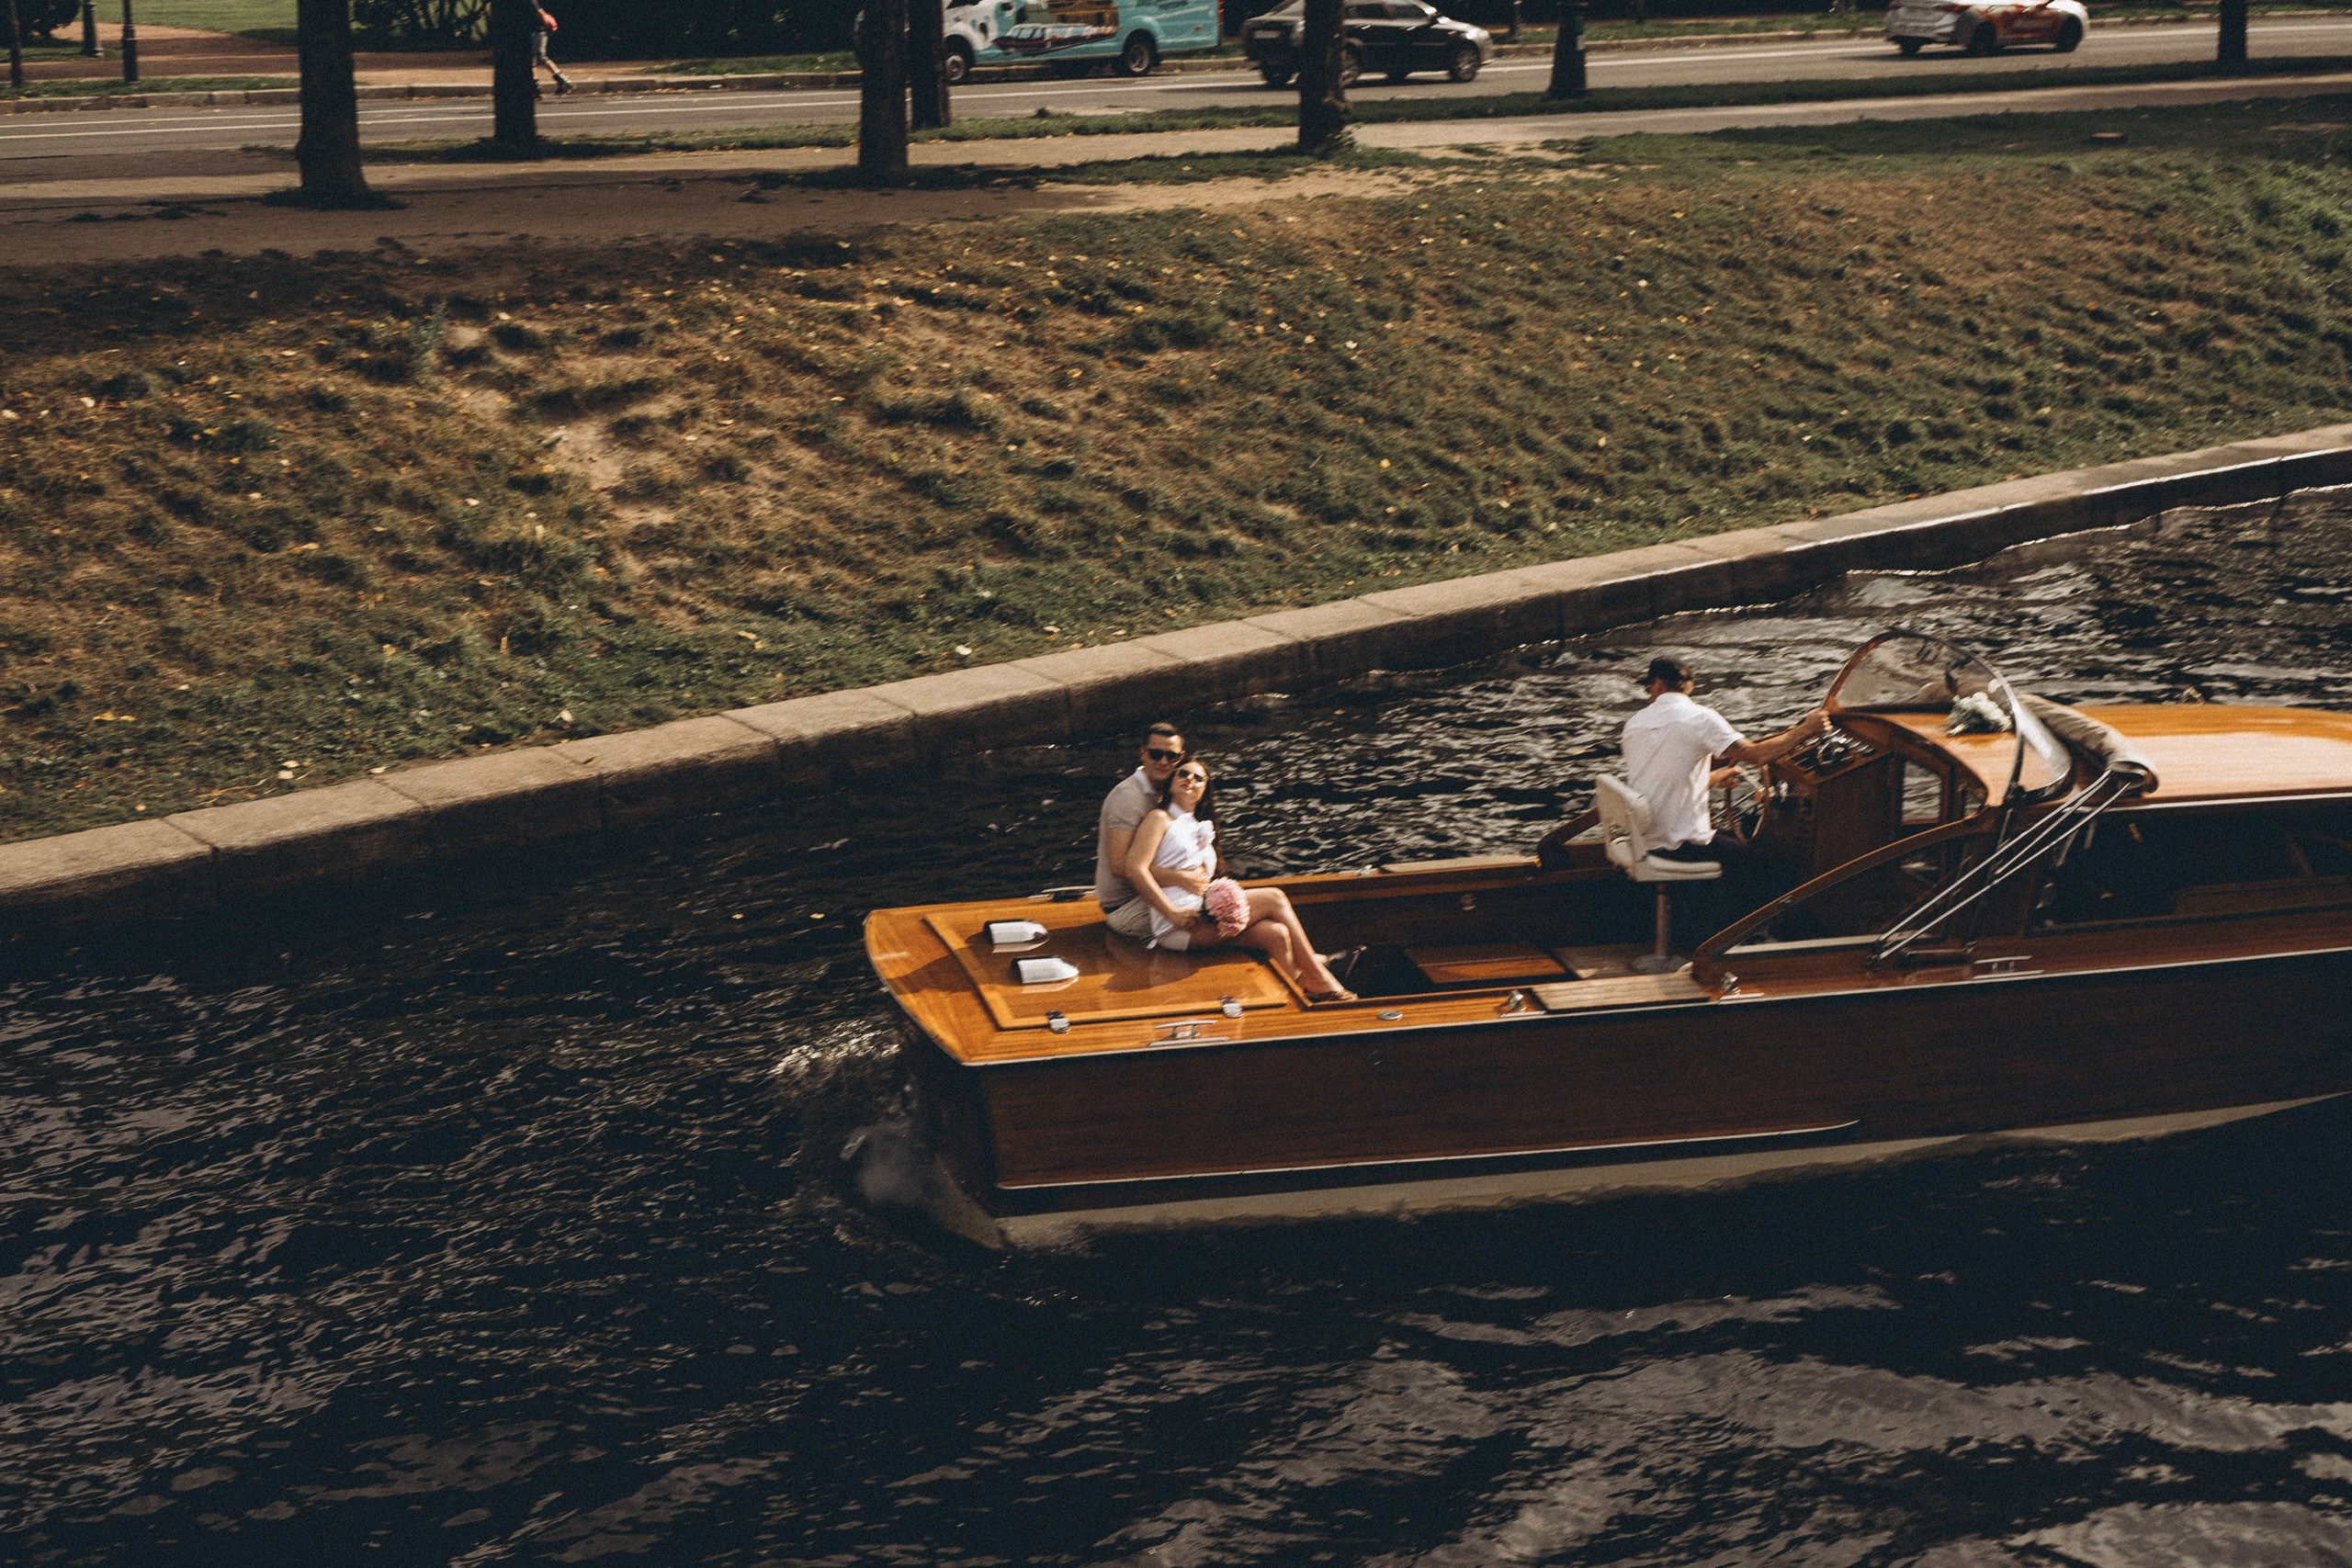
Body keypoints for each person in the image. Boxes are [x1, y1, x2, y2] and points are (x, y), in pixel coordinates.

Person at [1120, 758, 1356, 1002]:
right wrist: (1171, 912)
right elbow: (1134, 869)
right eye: (1183, 774)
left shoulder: (1198, 826)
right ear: (1171, 783)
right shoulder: (1159, 819)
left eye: (1198, 778)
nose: (1189, 779)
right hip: (1178, 922)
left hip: (1201, 913)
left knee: (1275, 934)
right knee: (1275, 897)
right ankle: (1319, 975)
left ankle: (1298, 994)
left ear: (1203, 792)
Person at [1621, 654, 1828, 923]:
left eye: (1648, 687)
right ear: (1687, 687)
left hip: (1645, 836)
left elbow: (1658, 776)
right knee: (1776, 865)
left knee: (1736, 842)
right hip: (1679, 843)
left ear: (1658, 684)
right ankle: (1768, 937)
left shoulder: (1634, 724)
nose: (1649, 693)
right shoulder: (1700, 718)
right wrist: (1805, 730)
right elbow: (1757, 756)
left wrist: (1710, 779)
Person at [1094, 721, 1201, 942]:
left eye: (1171, 757)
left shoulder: (1168, 792)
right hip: (1126, 906)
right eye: (1155, 754)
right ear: (1142, 754)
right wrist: (1182, 879)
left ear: (1180, 758)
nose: (1163, 762)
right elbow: (1120, 866)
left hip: (1152, 893)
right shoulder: (1128, 798)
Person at [533, 4, 573, 96]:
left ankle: (535, 87)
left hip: (536, 30)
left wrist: (544, 18)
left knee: (536, 58)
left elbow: (537, 8)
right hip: (539, 30)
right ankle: (562, 81)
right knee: (537, 58)